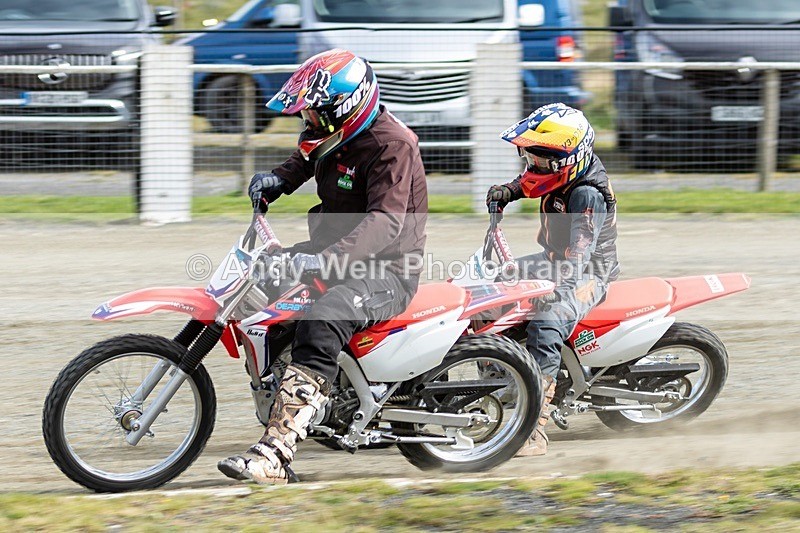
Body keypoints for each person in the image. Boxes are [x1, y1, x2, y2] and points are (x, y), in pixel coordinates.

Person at [218, 49, 428, 484]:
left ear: (343, 110)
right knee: (261, 280)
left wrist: (322, 262)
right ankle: (302, 394)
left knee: (322, 318)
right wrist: (279, 179)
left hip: (386, 270)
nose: (307, 122)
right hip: (335, 254)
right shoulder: (334, 135)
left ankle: (276, 453)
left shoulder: (394, 145)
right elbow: (308, 157)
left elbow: (385, 223)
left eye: (313, 114)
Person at [486, 102, 619, 456]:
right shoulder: (562, 172)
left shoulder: (586, 194)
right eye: (529, 157)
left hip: (589, 272)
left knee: (546, 322)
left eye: (539, 160)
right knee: (491, 290)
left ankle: (534, 427)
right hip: (552, 260)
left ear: (567, 161)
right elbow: (531, 182)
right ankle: (500, 375)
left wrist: (556, 289)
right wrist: (508, 192)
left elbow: (581, 253)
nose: (532, 166)